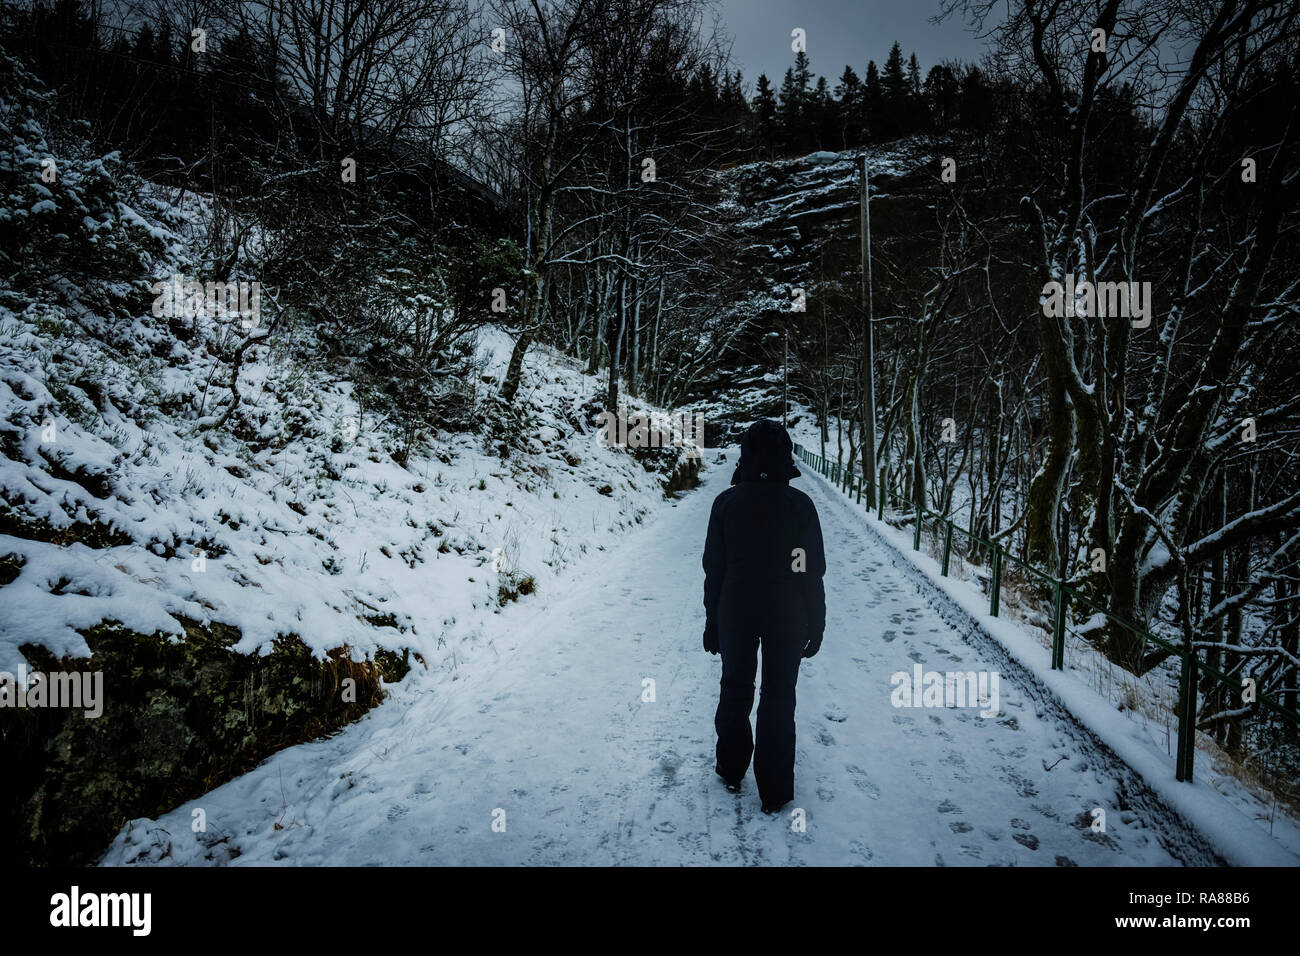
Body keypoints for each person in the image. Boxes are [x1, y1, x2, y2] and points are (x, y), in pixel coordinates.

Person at [702, 419, 826, 814]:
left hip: (735, 607)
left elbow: (714, 569)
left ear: (746, 456)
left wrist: (711, 620)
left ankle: (731, 766)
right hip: (787, 612)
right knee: (778, 697)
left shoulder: (726, 503)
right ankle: (774, 790)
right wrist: (816, 620)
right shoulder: (800, 506)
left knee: (735, 687)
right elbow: (809, 569)